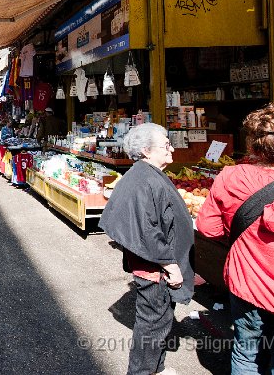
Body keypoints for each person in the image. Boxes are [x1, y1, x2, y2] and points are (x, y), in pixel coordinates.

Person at [196, 103, 274, 374]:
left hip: (245, 284)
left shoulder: (230, 177)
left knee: (246, 354)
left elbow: (208, 228)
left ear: (254, 147)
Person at [99, 123, 194, 375]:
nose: (171, 148)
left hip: (155, 265)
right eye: (165, 145)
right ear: (146, 150)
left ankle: (157, 368)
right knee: (152, 324)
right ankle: (141, 371)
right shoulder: (143, 179)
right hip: (154, 268)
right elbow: (149, 230)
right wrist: (170, 265)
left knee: (160, 321)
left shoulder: (144, 173)